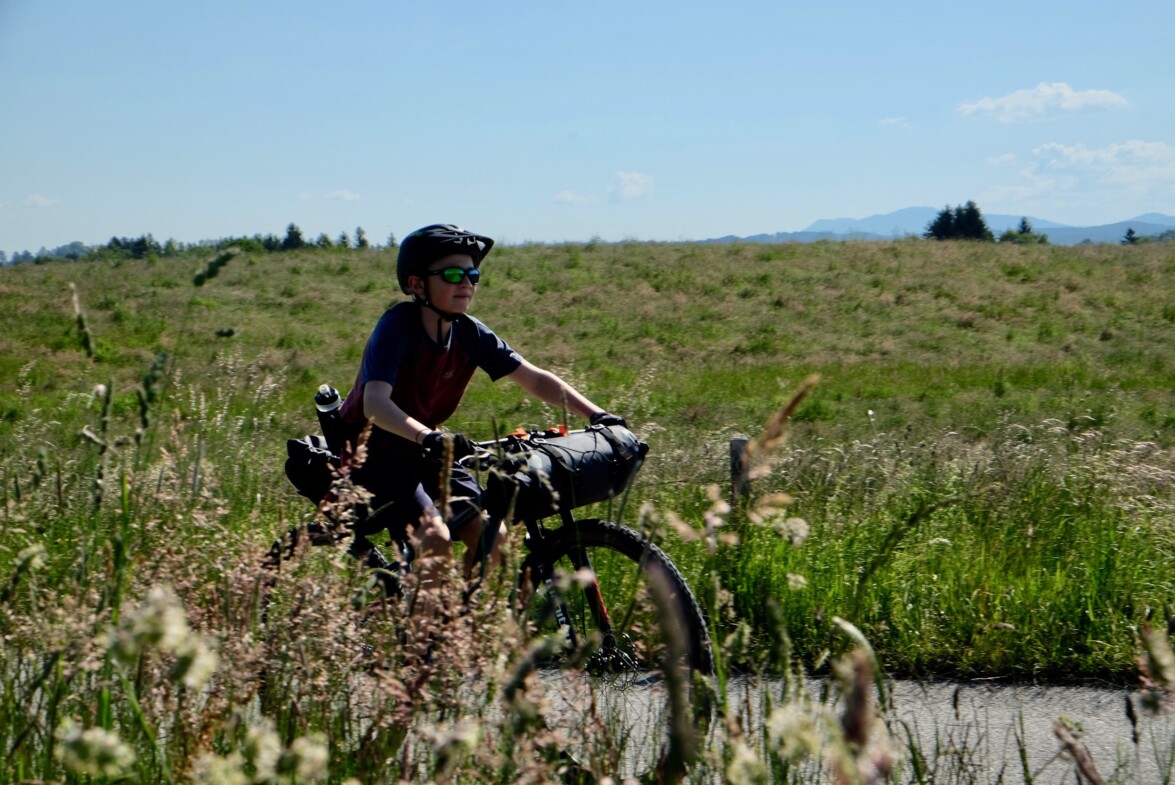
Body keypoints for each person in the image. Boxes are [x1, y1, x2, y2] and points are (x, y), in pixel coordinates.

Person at [334, 224, 624, 603]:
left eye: (473, 275)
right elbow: (374, 403)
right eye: (453, 274)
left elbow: (535, 379)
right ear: (417, 285)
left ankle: (457, 626)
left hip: (426, 449)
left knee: (495, 539)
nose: (466, 283)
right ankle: (419, 658)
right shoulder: (396, 327)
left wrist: (598, 415)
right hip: (372, 454)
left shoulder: (469, 333)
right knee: (435, 538)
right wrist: (429, 437)